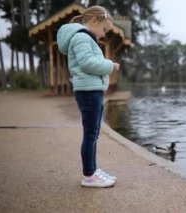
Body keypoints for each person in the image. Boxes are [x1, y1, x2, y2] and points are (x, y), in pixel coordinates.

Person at [57, 5, 120, 188]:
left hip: (92, 91)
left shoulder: (84, 37)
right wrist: (110, 65)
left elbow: (88, 62)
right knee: (90, 135)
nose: (104, 34)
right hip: (89, 92)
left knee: (93, 134)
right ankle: (89, 176)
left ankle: (92, 169)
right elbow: (87, 63)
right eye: (104, 29)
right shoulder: (82, 37)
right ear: (94, 21)